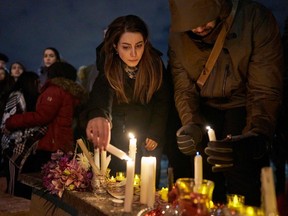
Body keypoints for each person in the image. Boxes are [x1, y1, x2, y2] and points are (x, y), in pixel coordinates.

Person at [168, 0, 284, 207]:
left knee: (243, 177)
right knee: (204, 182)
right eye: (192, 24)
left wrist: (255, 135)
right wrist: (191, 124)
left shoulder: (255, 20)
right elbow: (184, 89)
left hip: (244, 107)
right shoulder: (178, 36)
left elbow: (264, 89)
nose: (199, 28)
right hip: (205, 111)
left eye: (205, 20)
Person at [84, 15, 170, 186]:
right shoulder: (109, 65)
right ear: (115, 46)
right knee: (118, 185)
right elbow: (102, 93)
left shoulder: (154, 64)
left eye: (139, 46)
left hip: (148, 136)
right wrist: (100, 115)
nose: (133, 54)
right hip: (117, 136)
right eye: (126, 47)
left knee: (145, 187)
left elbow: (163, 101)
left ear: (145, 43)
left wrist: (155, 132)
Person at [3, 61, 87, 198]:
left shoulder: (55, 90)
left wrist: (12, 121)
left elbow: (42, 116)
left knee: (33, 179)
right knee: (52, 182)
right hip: (60, 142)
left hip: (51, 143)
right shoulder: (68, 92)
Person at [0, 71, 44, 197]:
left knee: (21, 183)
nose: (39, 84)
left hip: (22, 144)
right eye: (37, 82)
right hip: (12, 146)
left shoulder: (29, 97)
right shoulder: (17, 96)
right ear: (30, 82)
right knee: (14, 184)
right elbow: (7, 122)